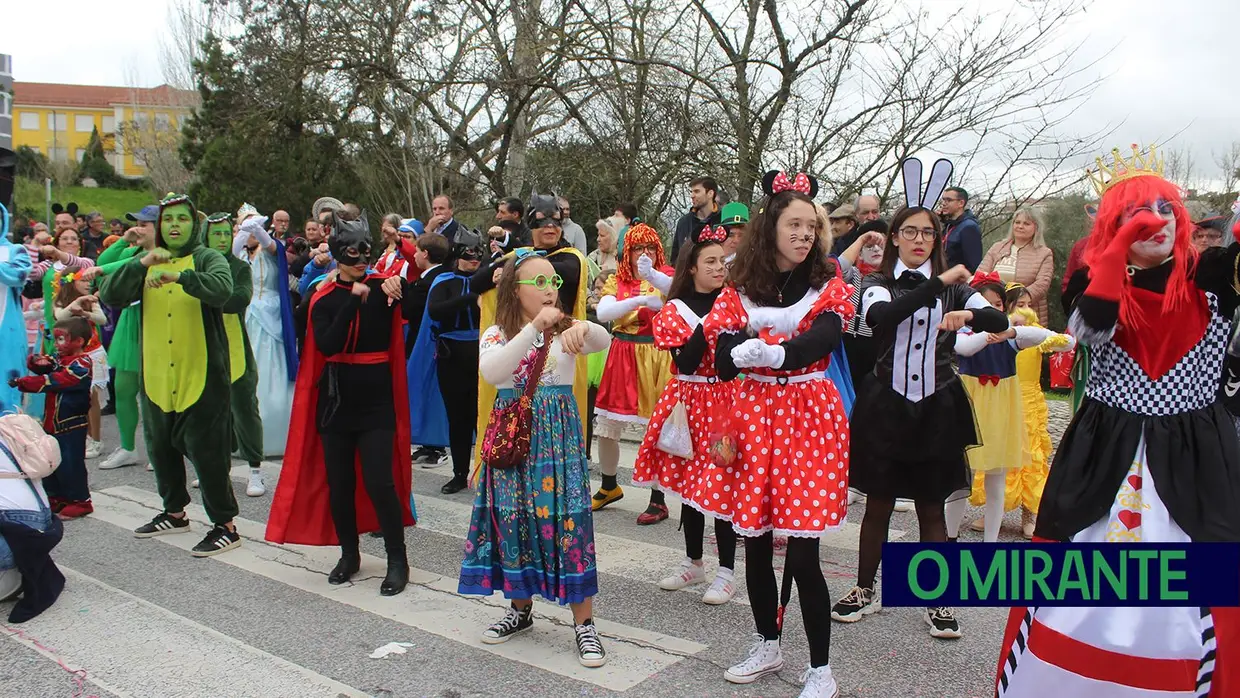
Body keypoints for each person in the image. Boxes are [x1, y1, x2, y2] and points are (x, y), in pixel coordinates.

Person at [995, 146, 1240, 696]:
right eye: (1137, 211)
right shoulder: (1092, 281)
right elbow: (1093, 326)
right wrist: (1119, 250)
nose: (1157, 219)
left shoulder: (1214, 276)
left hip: (1198, 453)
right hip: (1107, 451)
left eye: (1165, 208)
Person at [834, 161, 1009, 641]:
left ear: (937, 238)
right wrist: (936, 286)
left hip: (937, 405)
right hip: (886, 403)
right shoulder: (875, 284)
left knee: (932, 508)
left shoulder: (956, 288)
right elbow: (885, 318)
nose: (918, 239)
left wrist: (969, 318)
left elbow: (996, 322)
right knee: (879, 504)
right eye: (909, 231)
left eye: (927, 232)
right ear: (893, 237)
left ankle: (937, 600)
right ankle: (864, 589)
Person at [702, 170, 855, 697]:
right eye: (794, 224)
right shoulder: (738, 290)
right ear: (771, 229)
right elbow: (720, 361)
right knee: (758, 542)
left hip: (808, 419)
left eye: (811, 226)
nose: (805, 234)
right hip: (752, 420)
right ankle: (767, 641)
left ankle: (820, 669)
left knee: (805, 553)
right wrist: (740, 346)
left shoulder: (828, 286)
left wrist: (776, 354)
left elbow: (824, 339)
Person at [458, 252, 611, 667]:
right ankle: (520, 610)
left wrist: (581, 326)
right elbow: (493, 371)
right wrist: (533, 329)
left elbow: (602, 340)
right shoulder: (496, 333)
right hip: (513, 445)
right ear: (515, 289)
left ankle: (585, 625)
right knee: (513, 521)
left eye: (553, 282)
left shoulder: (566, 332)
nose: (549, 289)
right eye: (539, 282)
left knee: (568, 523)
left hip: (557, 444)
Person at [266, 211, 417, 596]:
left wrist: (401, 281)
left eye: (365, 251)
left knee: (380, 481)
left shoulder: (386, 289)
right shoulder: (324, 296)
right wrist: (352, 298)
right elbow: (328, 343)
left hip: (377, 399)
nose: (360, 258)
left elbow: (416, 303)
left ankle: (398, 560)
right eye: (351, 251)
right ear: (336, 253)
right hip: (336, 401)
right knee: (340, 483)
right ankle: (349, 555)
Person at [97, 193, 243, 557]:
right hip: (158, 373)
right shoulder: (145, 260)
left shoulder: (207, 257)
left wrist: (179, 276)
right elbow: (109, 293)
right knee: (160, 448)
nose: (174, 225)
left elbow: (222, 290)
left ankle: (225, 525)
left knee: (207, 453)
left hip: (202, 372)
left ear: (195, 224)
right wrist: (142, 263)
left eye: (182, 218)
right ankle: (174, 512)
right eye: (168, 219)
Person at [632, 225, 738, 605]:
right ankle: (694, 561)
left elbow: (729, 367)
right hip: (687, 402)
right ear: (690, 268)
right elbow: (687, 360)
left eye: (722, 261)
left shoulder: (735, 305)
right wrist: (712, 324)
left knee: (723, 486)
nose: (718, 268)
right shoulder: (674, 309)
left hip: (726, 403)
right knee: (691, 487)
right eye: (709, 261)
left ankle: (727, 570)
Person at [470, 196, 591, 468]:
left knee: (557, 450)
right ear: (530, 225)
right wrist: (503, 266)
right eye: (542, 222)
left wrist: (512, 266)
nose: (550, 227)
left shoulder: (571, 259)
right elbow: (475, 282)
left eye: (556, 222)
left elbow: (563, 273)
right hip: (520, 348)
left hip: (558, 353)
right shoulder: (518, 256)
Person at [948, 273, 1068, 544]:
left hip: (1002, 408)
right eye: (984, 306)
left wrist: (1013, 331)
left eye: (998, 306)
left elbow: (1065, 341)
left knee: (996, 479)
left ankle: (990, 543)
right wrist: (993, 332)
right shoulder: (964, 331)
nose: (992, 311)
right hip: (969, 403)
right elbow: (964, 349)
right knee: (959, 479)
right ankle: (949, 539)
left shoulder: (1014, 336)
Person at [590, 224, 673, 523]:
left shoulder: (668, 276)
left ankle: (658, 498)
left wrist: (654, 281)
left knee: (657, 428)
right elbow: (604, 313)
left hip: (656, 355)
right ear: (628, 252)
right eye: (638, 248)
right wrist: (640, 301)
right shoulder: (616, 280)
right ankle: (609, 486)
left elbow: (673, 294)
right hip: (622, 355)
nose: (645, 253)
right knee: (608, 426)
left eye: (650, 247)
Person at [86, 209, 156, 470]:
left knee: (153, 395)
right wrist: (126, 239)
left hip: (155, 321)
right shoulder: (133, 249)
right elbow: (105, 259)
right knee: (125, 388)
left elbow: (111, 267)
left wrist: (101, 267)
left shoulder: (163, 254)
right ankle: (128, 447)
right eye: (136, 224)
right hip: (131, 320)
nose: (139, 229)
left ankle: (157, 448)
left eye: (144, 225)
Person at [203, 213, 266, 496]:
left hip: (235, 345)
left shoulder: (239, 267)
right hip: (203, 347)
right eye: (215, 233)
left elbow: (240, 298)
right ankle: (217, 468)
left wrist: (204, 291)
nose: (221, 239)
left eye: (226, 233)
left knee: (244, 407)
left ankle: (255, 471)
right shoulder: (198, 265)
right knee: (212, 413)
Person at [11, 318, 94, 520]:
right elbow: (46, 366)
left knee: (70, 463)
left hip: (71, 422)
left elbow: (58, 380)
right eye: (55, 339)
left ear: (79, 341)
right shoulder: (59, 358)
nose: (57, 344)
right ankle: (56, 496)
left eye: (61, 339)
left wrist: (26, 382)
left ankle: (80, 501)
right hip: (52, 421)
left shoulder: (82, 363)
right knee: (51, 459)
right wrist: (36, 362)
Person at [234, 207, 300, 458]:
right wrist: (242, 232)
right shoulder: (240, 254)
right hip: (248, 314)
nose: (248, 233)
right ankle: (243, 431)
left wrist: (258, 229)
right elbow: (228, 256)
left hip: (271, 314)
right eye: (244, 227)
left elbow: (272, 246)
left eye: (252, 228)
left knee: (271, 368)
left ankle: (274, 431)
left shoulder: (271, 249)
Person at [426, 230, 486, 494]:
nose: (474, 259)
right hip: (451, 355)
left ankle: (487, 473)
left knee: (483, 415)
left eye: (478, 254)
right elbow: (435, 310)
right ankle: (459, 473)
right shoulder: (443, 280)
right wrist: (471, 297)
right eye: (469, 253)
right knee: (457, 417)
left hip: (483, 352)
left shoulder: (488, 281)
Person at [0, 428, 66, 623]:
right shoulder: (6, 426)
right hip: (39, 525)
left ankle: (10, 578)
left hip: (16, 527)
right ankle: (14, 575)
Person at [407, 233, 454, 468]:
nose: (414, 255)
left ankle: (437, 445)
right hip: (422, 341)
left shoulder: (434, 281)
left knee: (433, 395)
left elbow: (410, 308)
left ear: (425, 254)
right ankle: (427, 443)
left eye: (416, 251)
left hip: (431, 345)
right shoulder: (426, 279)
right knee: (423, 394)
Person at [977, 208, 1055, 326]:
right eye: (1017, 222)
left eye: (1026, 223)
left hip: (1026, 314)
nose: (1020, 226)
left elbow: (1042, 284)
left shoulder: (1044, 253)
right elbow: (981, 274)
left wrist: (1017, 299)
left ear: (1036, 228)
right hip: (994, 310)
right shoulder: (997, 247)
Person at [0, 229, 32, 415]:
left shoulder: (15, 250)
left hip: (7, 327)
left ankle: (9, 433)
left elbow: (18, 275)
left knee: (8, 381)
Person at [670, 177, 722, 262]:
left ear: (710, 193)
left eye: (697, 191)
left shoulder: (723, 220)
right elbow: (676, 258)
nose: (692, 196)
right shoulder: (684, 222)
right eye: (691, 192)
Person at [938, 186, 982, 272]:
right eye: (943, 200)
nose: (943, 203)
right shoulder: (948, 225)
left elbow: (973, 264)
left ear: (961, 203)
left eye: (949, 200)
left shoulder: (969, 227)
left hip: (957, 280)